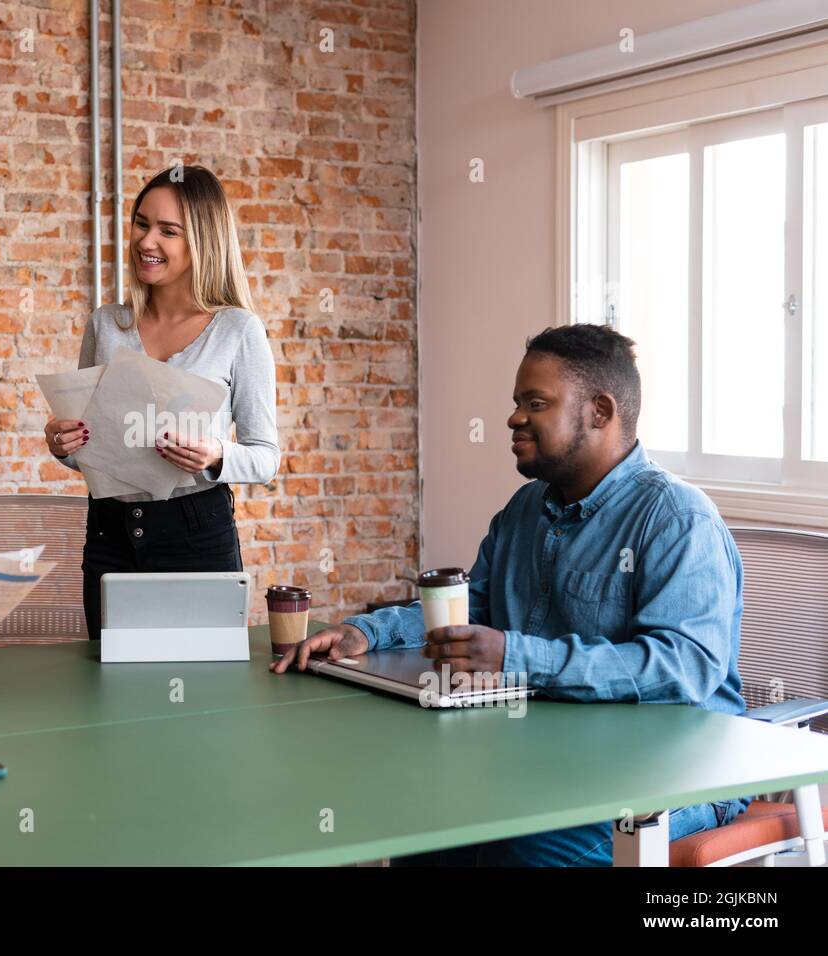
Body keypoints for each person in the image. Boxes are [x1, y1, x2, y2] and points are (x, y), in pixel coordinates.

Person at [273, 323, 751, 866]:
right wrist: (366, 631)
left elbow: (683, 669)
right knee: (421, 826)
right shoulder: (525, 510)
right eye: (516, 401)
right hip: (551, 762)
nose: (513, 417)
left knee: (520, 853)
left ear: (600, 411)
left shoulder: (676, 519)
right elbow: (472, 603)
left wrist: (515, 656)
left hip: (675, 777)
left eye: (536, 402)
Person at [44, 165, 280, 639]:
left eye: (168, 231)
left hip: (196, 532)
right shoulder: (107, 325)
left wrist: (216, 456)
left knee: (204, 697)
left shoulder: (238, 331)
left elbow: (266, 457)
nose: (146, 241)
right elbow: (96, 455)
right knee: (112, 694)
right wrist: (64, 445)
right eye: (141, 223)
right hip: (110, 532)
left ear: (202, 243)